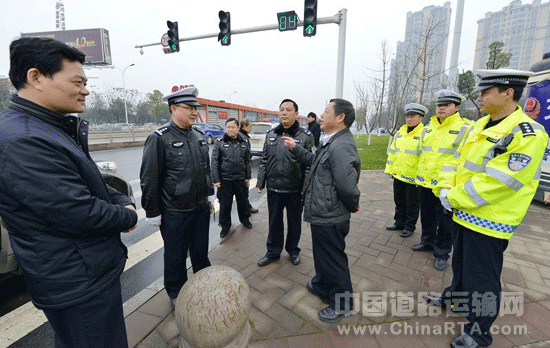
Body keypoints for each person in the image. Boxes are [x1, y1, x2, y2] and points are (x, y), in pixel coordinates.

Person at [0, 37, 138, 348]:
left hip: (83, 271)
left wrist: (121, 199)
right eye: (77, 82)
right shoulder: (23, 139)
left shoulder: (48, 127)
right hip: (78, 281)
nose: (86, 90)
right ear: (35, 77)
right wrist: (125, 215)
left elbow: (92, 182)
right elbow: (77, 211)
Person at [424, 69, 548, 348]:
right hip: (463, 211)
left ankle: (478, 333)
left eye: (485, 92)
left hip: (490, 219)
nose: (479, 97)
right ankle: (455, 298)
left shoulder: (527, 133)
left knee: (483, 278)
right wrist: (444, 188)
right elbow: (454, 160)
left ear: (508, 94)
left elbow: (501, 180)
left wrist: (453, 196)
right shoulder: (480, 126)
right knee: (461, 265)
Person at [283, 98, 361, 323]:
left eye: (327, 111)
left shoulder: (342, 145)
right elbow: (316, 161)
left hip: (330, 213)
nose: (322, 115)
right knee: (322, 255)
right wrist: (296, 148)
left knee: (333, 259)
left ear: (340, 118)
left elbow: (347, 185)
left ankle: (342, 302)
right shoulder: (332, 141)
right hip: (322, 211)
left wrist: (354, 203)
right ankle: (322, 284)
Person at [140, 85, 214, 307]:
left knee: (200, 253)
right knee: (175, 257)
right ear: (173, 108)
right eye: (189, 107)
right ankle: (177, 294)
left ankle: (204, 287)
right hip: (175, 211)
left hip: (200, 208)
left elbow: (205, 169)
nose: (194, 112)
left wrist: (210, 195)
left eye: (196, 107)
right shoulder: (159, 138)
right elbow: (150, 178)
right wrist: (153, 212)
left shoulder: (198, 136)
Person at [413, 90, 472, 271]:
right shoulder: (428, 128)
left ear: (457, 107)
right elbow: (421, 154)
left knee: (446, 222)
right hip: (426, 182)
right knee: (427, 216)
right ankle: (427, 242)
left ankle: (441, 253)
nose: (441, 109)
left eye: (446, 105)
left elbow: (464, 157)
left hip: (446, 185)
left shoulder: (466, 128)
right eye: (439, 105)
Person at [256, 99, 314, 267]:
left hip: (295, 190)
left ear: (296, 114)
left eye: (288, 110)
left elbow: (310, 164)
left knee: (294, 223)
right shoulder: (272, 134)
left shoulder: (305, 137)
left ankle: (293, 251)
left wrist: (305, 187)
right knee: (274, 222)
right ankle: (273, 252)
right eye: (281, 109)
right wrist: (261, 182)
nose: (284, 113)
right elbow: (264, 160)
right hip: (274, 188)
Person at [384, 103, 427, 238]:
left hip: (413, 177)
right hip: (398, 174)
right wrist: (390, 170)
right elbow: (393, 152)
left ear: (421, 118)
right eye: (407, 116)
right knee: (399, 201)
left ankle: (409, 226)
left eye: (412, 116)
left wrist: (420, 177)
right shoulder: (400, 132)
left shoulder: (425, 134)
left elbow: (425, 158)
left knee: (412, 204)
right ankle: (399, 222)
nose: (408, 119)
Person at [212, 118, 253, 238]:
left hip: (240, 179)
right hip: (225, 180)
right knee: (225, 205)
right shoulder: (219, 142)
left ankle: (245, 220)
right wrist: (216, 180)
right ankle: (225, 226)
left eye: (232, 127)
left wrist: (248, 177)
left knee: (243, 202)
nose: (230, 129)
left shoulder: (244, 142)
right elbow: (214, 162)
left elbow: (247, 161)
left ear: (238, 128)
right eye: (228, 127)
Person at [239, 117, 259, 214]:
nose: (251, 128)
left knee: (243, 192)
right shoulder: (242, 137)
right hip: (241, 170)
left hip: (242, 169)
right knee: (243, 192)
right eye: (250, 126)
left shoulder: (243, 136)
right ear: (244, 126)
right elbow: (245, 157)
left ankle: (246, 208)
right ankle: (246, 210)